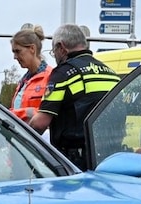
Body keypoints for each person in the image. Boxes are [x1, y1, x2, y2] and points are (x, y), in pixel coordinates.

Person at [27, 24, 121, 169]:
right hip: (111, 159)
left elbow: (40, 123)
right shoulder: (110, 73)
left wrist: (20, 139)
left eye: (54, 52)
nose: (55, 57)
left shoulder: (64, 73)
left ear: (61, 47)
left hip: (76, 162)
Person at [8, 25, 52, 123]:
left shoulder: (51, 77)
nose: (15, 57)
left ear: (32, 48)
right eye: (13, 52)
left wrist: (17, 114)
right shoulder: (23, 82)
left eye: (18, 51)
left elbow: (49, 113)